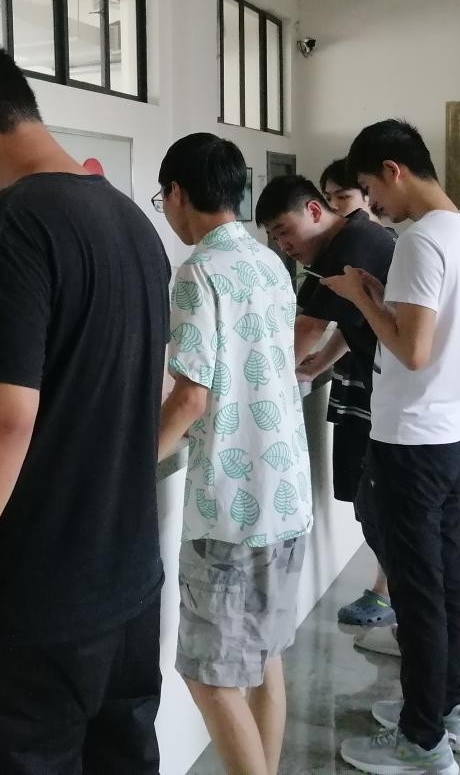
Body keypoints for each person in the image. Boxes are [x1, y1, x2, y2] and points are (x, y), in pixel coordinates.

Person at [0, 31, 172, 773]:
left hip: (33, 602)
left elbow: (4, 417)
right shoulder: (132, 223)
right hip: (128, 588)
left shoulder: (13, 220)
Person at [325, 119, 460, 775]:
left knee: (419, 594)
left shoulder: (421, 242)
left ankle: (422, 741)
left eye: (370, 189)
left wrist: (360, 297)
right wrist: (376, 297)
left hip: (412, 443)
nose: (371, 205)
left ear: (394, 170)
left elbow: (414, 352)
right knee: (444, 582)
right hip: (452, 434)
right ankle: (443, 709)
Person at [156, 133, 313, 775]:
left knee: (212, 678)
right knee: (265, 659)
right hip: (286, 493)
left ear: (177, 193)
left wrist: (136, 464)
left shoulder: (198, 271)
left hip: (230, 509)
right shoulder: (269, 262)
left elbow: (191, 397)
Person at [254, 175, 396, 626]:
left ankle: (404, 615)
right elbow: (351, 322)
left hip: (410, 400)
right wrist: (316, 367)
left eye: (284, 230)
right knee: (378, 507)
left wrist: (259, 385)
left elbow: (308, 328)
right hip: (391, 394)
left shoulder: (351, 244)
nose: (283, 244)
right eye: (274, 236)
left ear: (314, 211)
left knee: (390, 512)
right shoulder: (348, 240)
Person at [355, 351, 460, 695]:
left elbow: (424, 348)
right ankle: (428, 640)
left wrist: (370, 312)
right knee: (389, 520)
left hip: (452, 407)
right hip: (414, 408)